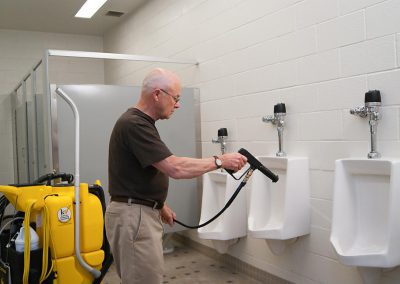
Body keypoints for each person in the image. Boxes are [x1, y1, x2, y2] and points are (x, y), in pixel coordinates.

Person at [105, 68, 247, 284]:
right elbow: (175, 167)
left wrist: (159, 205)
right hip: (134, 218)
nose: (178, 104)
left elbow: (134, 173)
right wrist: (220, 161)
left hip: (137, 213)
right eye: (176, 98)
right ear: (157, 94)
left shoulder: (139, 123)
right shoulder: (135, 124)